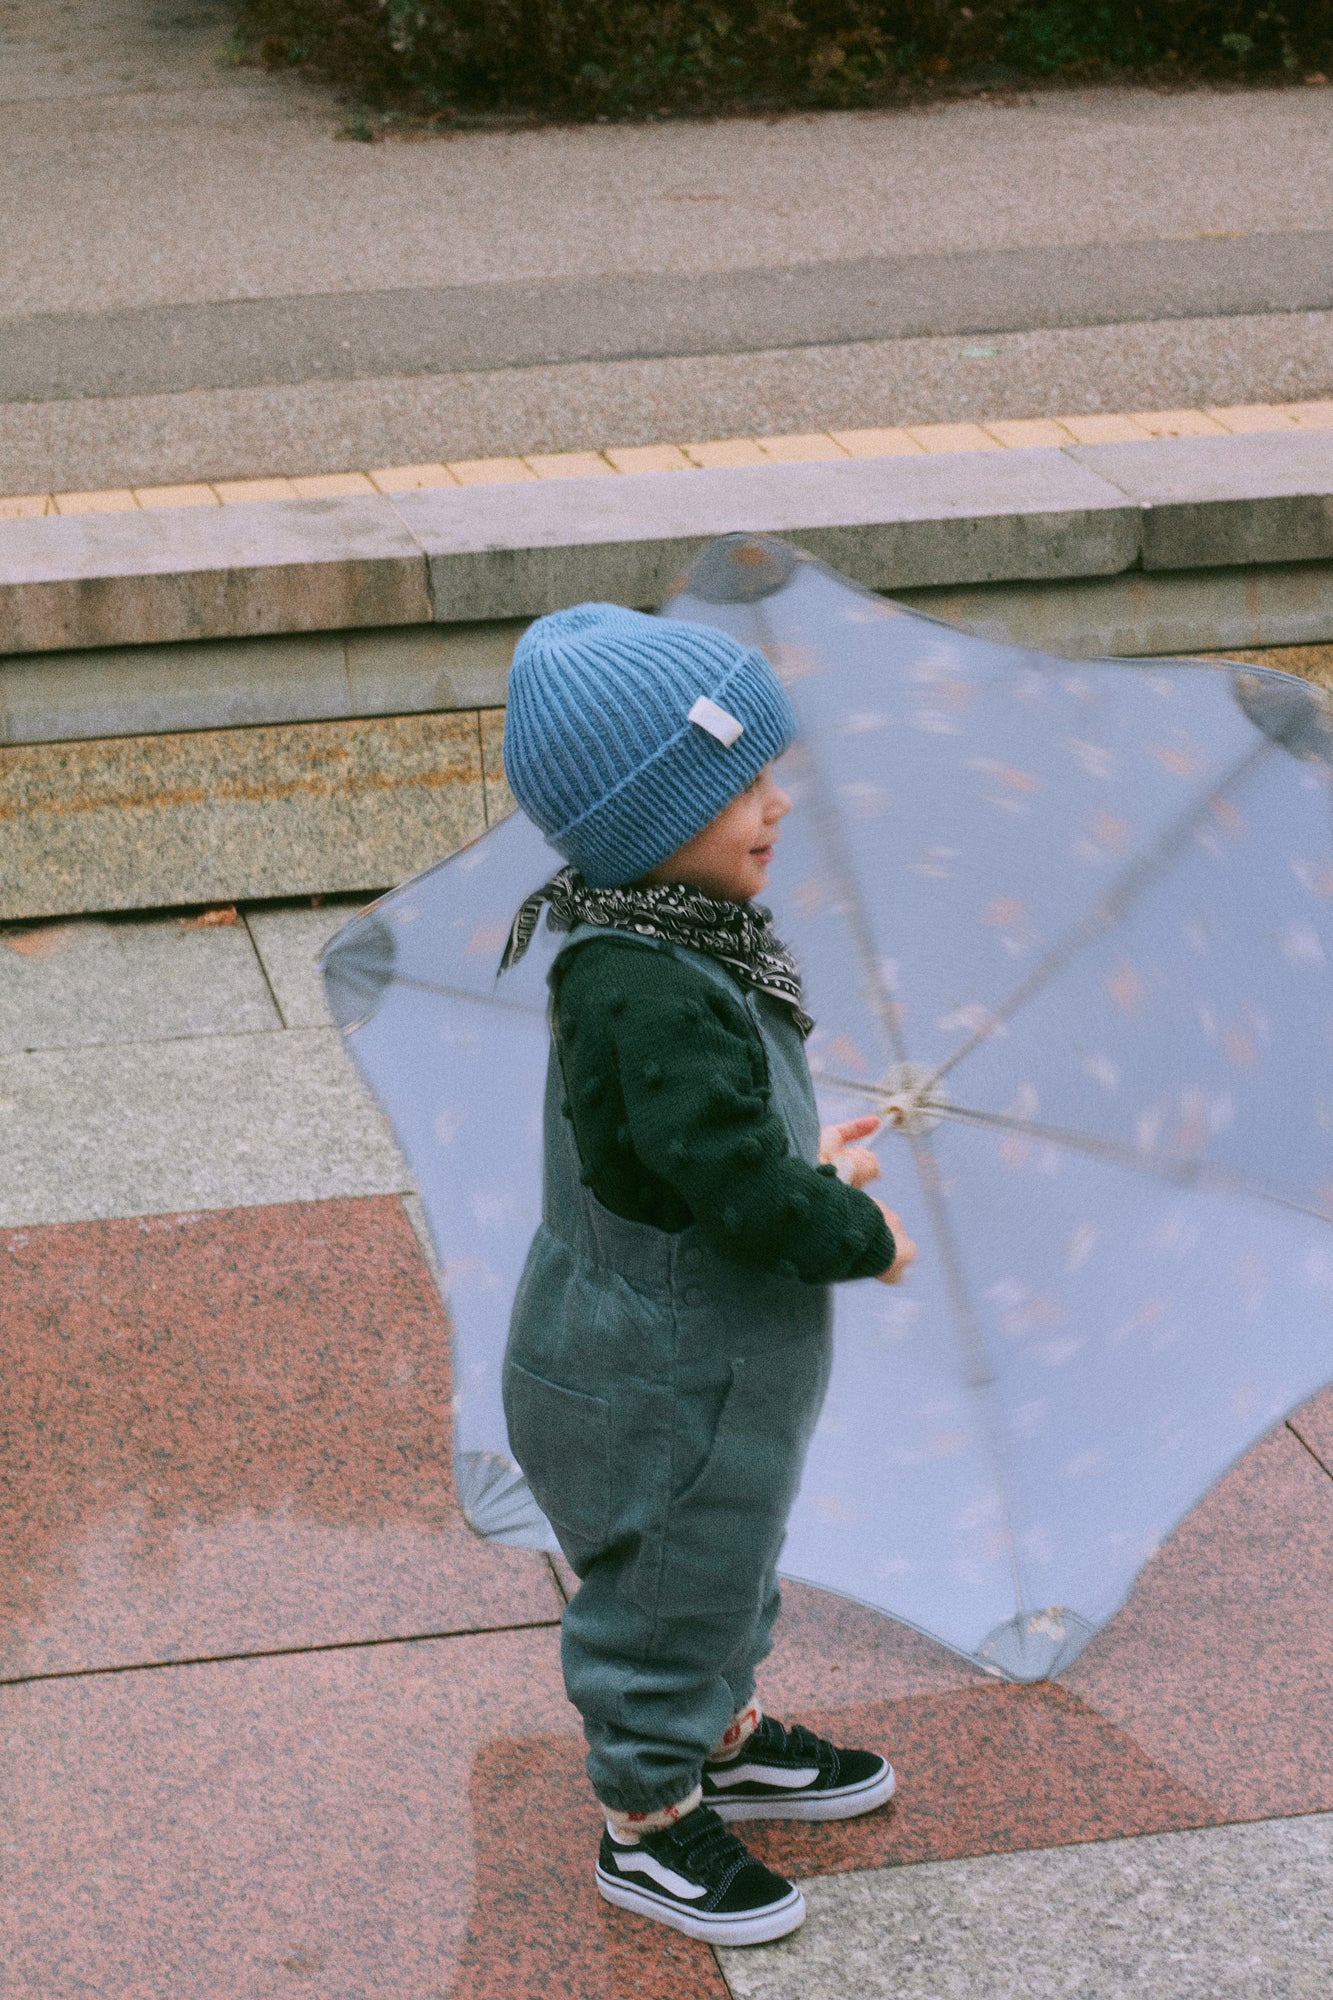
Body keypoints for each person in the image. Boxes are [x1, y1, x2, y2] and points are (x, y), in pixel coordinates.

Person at [498, 602, 916, 1947]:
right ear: (647, 815)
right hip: (661, 1374)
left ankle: (716, 1727)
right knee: (668, 1584)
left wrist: (814, 1155)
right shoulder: (647, 984)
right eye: (742, 785)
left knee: (726, 1561)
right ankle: (645, 1811)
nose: (774, 805)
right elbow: (731, 1192)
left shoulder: (676, 945)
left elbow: (711, 1145)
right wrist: (859, 1233)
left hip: (711, 1368)